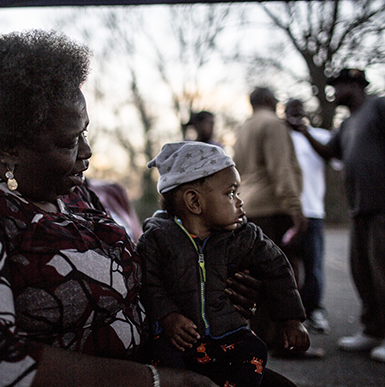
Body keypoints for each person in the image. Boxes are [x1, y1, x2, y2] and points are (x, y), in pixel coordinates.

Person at [0, 29, 252, 387]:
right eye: (69, 141)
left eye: (84, 133)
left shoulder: (71, 195)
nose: (87, 152)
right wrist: (154, 381)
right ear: (8, 145)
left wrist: (210, 286)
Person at [137, 141, 309, 387]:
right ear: (194, 203)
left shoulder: (244, 237)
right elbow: (149, 282)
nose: (239, 201)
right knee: (162, 358)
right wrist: (168, 315)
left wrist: (291, 319)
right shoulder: (157, 239)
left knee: (254, 351)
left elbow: (277, 268)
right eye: (230, 193)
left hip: (228, 334)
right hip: (179, 339)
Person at [294, 68, 385, 363]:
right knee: (364, 271)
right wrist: (305, 131)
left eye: (339, 85)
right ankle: (373, 329)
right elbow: (330, 152)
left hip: (382, 205)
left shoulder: (378, 107)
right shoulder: (346, 125)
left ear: (355, 84)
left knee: (383, 269)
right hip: (359, 208)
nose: (333, 91)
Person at [232, 87, 308, 356]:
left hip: (248, 206)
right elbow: (281, 168)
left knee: (257, 278)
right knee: (282, 275)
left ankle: (262, 340)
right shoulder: (273, 124)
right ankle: (286, 342)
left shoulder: (243, 129)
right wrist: (295, 209)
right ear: (269, 101)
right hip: (272, 207)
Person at [285, 98, 333, 334]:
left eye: (299, 112)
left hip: (312, 211)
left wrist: (306, 133)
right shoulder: (280, 138)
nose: (294, 115)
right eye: (290, 112)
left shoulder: (320, 135)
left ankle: (314, 310)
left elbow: (332, 159)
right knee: (286, 266)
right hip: (286, 211)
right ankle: (293, 314)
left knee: (313, 266)